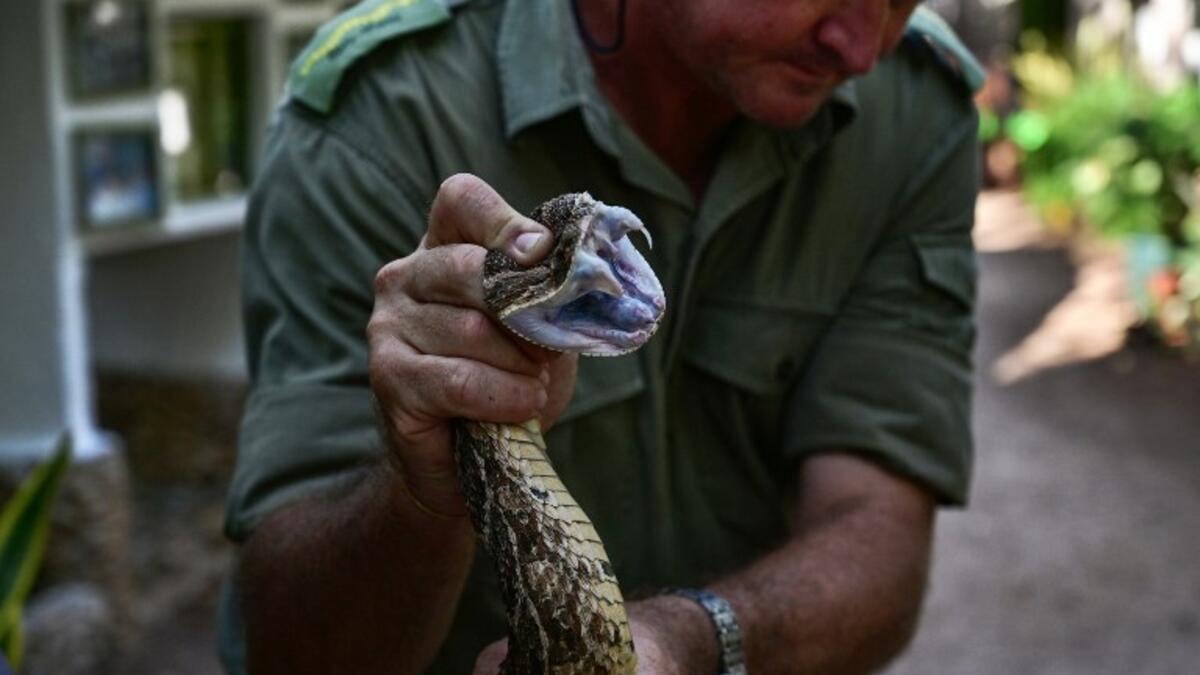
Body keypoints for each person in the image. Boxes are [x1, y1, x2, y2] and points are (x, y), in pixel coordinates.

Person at [220, 0, 984, 673]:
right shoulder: (379, 114)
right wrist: (420, 491)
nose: (860, 48)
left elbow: (878, 532)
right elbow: (290, 649)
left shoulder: (917, 109)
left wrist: (686, 645)